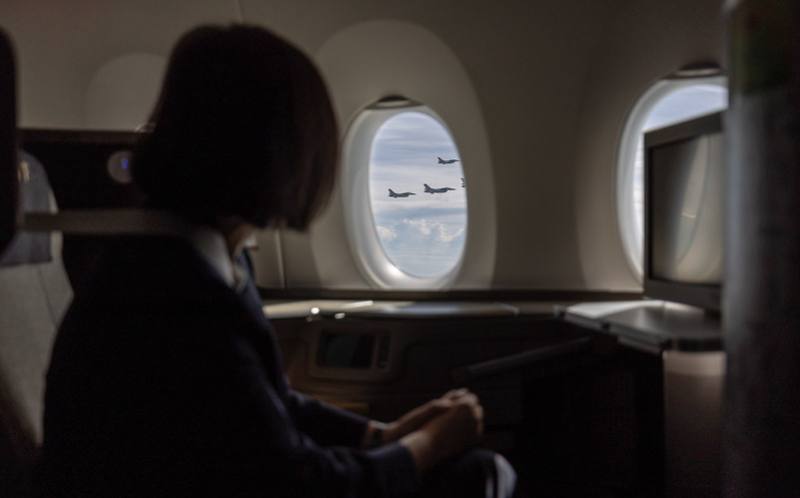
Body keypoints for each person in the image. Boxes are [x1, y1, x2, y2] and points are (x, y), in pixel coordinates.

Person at [38, 24, 515, 498]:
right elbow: (297, 483)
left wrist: (380, 436)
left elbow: (267, 405)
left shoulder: (198, 258)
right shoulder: (173, 297)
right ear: (280, 153)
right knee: (476, 476)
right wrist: (427, 445)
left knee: (474, 472)